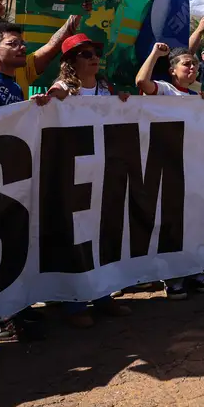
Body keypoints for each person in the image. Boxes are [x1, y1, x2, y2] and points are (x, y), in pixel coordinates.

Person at [33, 34, 135, 327]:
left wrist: (122, 102)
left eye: (95, 53)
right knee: (73, 234)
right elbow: (52, 103)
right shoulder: (63, 88)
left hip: (101, 171)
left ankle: (102, 295)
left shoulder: (106, 88)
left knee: (100, 233)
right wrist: (47, 100)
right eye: (85, 54)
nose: (94, 58)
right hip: (73, 173)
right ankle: (73, 303)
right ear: (70, 61)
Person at [136, 42, 204, 300]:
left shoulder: (195, 96)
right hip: (166, 167)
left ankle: (194, 269)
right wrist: (154, 54)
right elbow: (141, 82)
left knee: (193, 220)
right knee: (171, 222)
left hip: (192, 167)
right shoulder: (165, 90)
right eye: (186, 64)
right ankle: (173, 277)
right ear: (172, 70)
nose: (192, 68)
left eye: (195, 65)